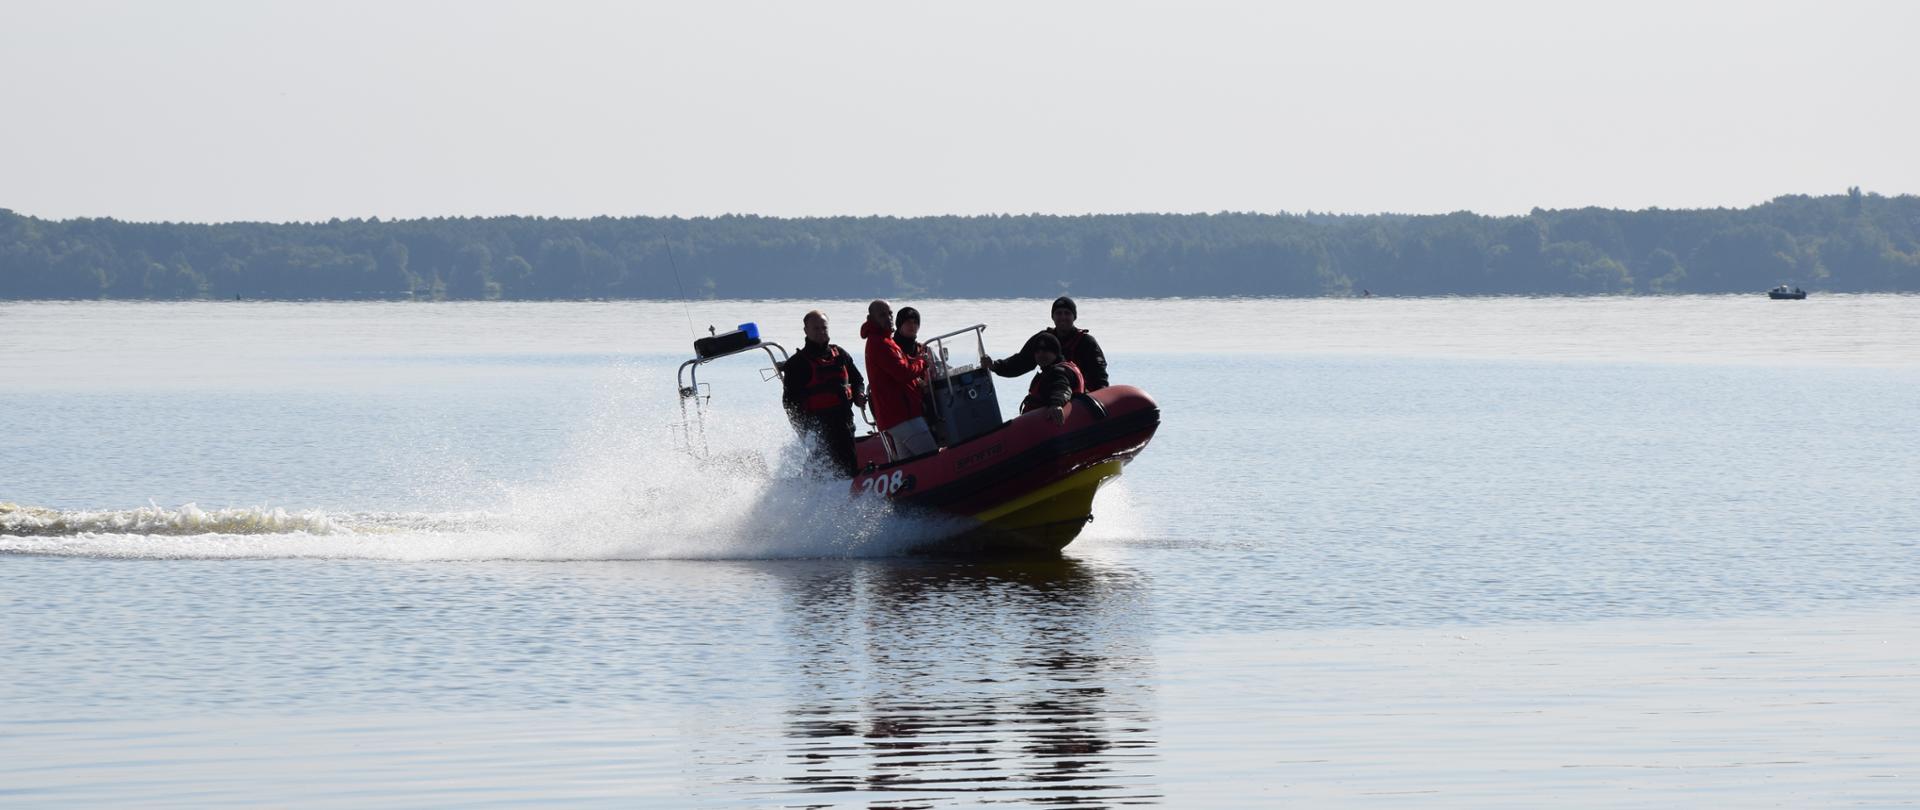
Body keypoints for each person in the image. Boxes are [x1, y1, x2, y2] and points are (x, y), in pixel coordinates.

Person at [781, 309, 867, 477]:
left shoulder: (840, 354)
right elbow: (789, 404)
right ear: (806, 331)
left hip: (844, 424)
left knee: (849, 468)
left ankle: (849, 491)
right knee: (826, 470)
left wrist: (858, 395)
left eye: (824, 328)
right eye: (816, 328)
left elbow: (858, 380)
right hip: (818, 430)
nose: (821, 332)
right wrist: (804, 432)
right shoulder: (797, 364)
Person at [985, 295, 1108, 392]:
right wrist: (995, 366)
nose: (1063, 317)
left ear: (1074, 317)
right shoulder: (1044, 339)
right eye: (1059, 313)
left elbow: (1099, 376)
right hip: (1052, 394)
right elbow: (1021, 362)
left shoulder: (1086, 342)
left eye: (1067, 313)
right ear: (1053, 317)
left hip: (1081, 399)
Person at [859, 300, 929, 434]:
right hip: (902, 416)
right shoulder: (880, 343)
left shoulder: (886, 341)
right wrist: (922, 362)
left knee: (911, 455)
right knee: (928, 451)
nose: (888, 318)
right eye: (882, 315)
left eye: (890, 314)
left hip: (901, 415)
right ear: (871, 319)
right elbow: (903, 372)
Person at [1018, 332, 1085, 426]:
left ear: (1056, 352)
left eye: (1046, 350)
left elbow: (1062, 387)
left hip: (1053, 428)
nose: (1041, 354)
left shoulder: (1060, 371)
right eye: (1037, 351)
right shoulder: (1047, 372)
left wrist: (1057, 404)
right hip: (1034, 428)